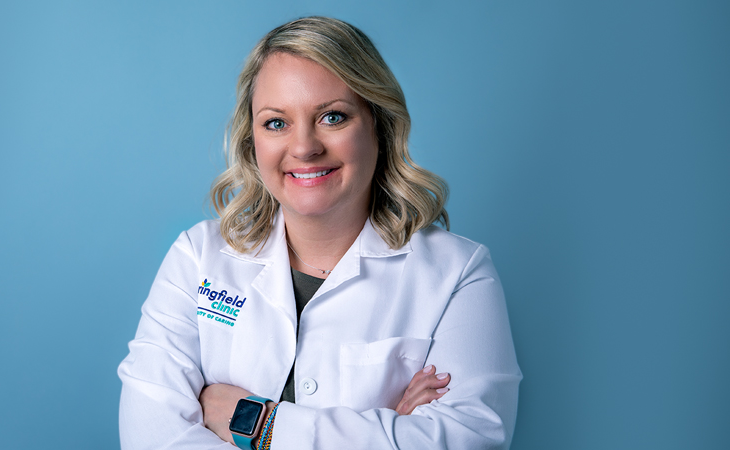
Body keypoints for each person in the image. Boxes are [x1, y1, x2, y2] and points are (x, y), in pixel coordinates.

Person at [118, 16, 521, 450]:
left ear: (379, 127)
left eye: (333, 116)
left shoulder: (457, 273)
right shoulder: (197, 257)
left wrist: (259, 424)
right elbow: (150, 437)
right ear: (251, 138)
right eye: (276, 123)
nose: (305, 147)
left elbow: (473, 437)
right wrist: (386, 429)